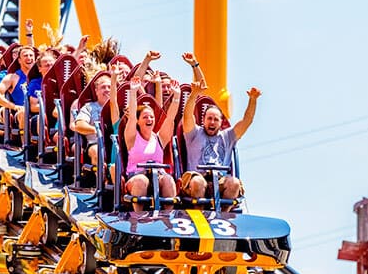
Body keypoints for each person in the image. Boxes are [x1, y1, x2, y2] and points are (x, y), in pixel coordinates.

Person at [181, 81, 262, 207]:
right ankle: (199, 214)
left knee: (234, 183)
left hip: (220, 179)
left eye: (216, 119)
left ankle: (224, 216)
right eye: (209, 118)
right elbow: (187, 116)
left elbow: (247, 121)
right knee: (198, 182)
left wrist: (253, 100)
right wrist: (194, 94)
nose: (212, 122)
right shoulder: (194, 133)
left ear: (220, 122)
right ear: (203, 120)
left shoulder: (227, 136)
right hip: (197, 177)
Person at [124, 77, 181, 211]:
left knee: (168, 180)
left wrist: (176, 96)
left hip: (158, 175)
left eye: (151, 117)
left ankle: (168, 218)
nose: (149, 119)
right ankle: (137, 218)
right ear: (139, 121)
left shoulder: (159, 138)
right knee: (141, 182)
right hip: (136, 176)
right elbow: (132, 117)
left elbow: (170, 118)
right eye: (145, 117)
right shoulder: (132, 137)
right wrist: (133, 93)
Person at [70, 72, 112, 167]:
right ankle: (101, 179)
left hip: (114, 144)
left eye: (109, 87)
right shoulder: (89, 107)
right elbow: (79, 125)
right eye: (103, 87)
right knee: (97, 151)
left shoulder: (119, 107)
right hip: (95, 143)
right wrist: (96, 130)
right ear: (96, 91)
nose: (107, 90)